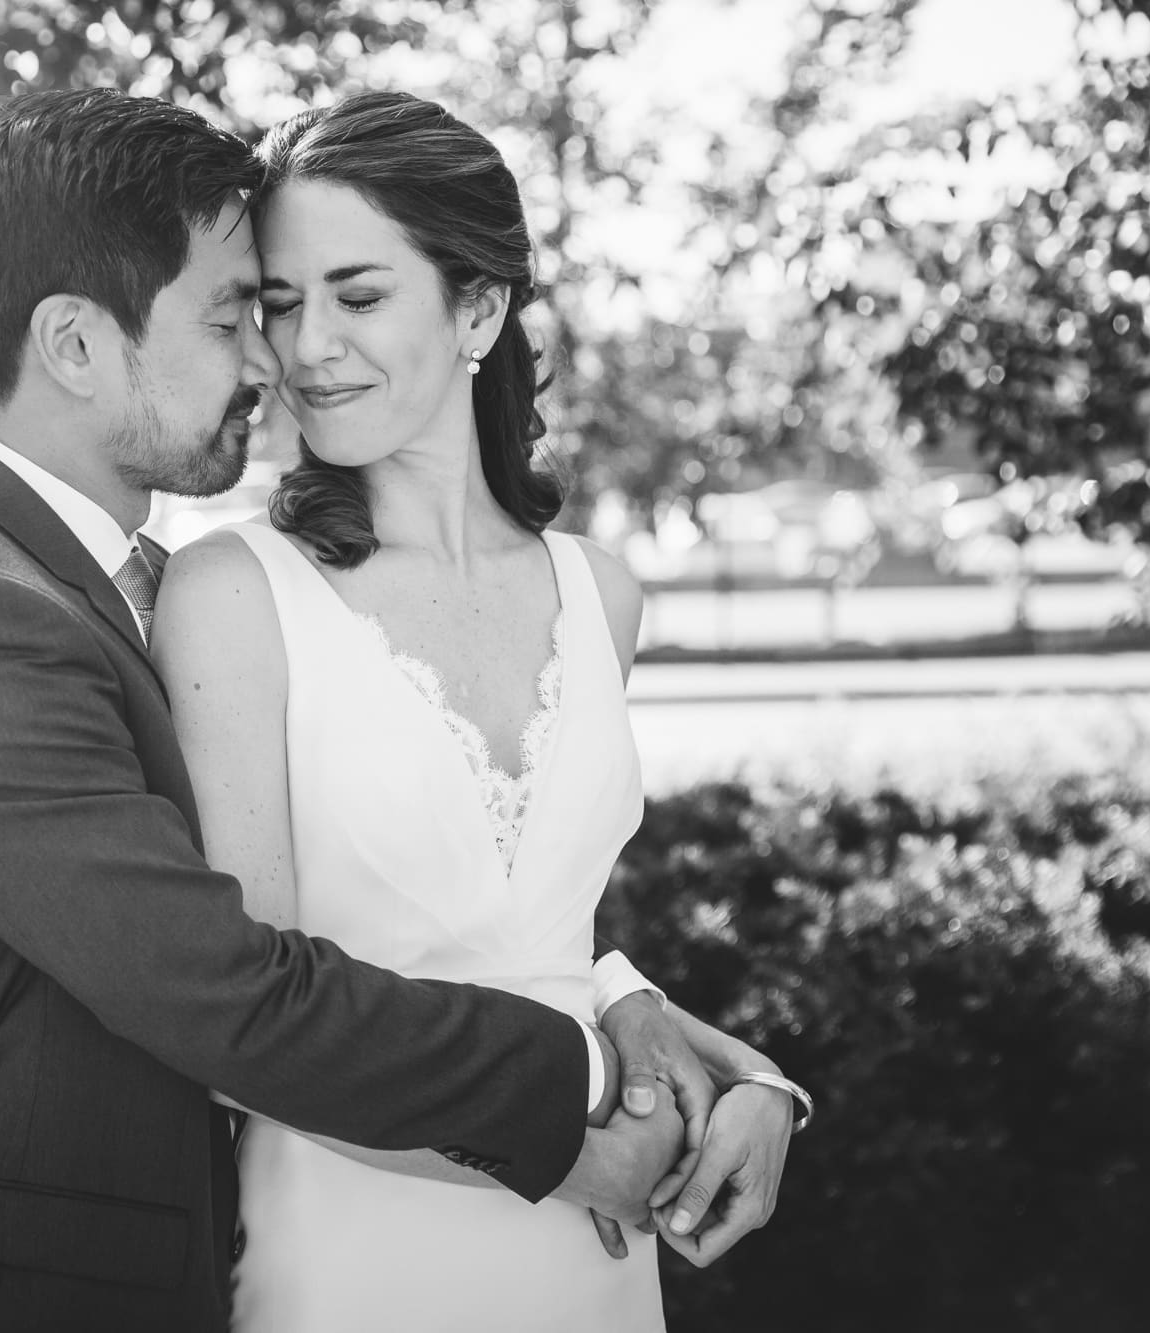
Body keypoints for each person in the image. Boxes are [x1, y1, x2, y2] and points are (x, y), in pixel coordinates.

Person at [0, 87, 729, 1333]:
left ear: (479, 309)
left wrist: (663, 1029)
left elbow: (501, 898)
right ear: (78, 345)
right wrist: (582, 1095)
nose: (278, 358)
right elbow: (231, 992)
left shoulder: (73, 577)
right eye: (239, 312)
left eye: (338, 298)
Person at [151, 92, 808, 1331]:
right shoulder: (233, 595)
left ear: (478, 308)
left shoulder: (601, 595)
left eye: (356, 295)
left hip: (597, 1265)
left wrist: (754, 1085)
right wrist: (561, 1153)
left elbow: (539, 941)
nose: (304, 349)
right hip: (349, 1248)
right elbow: (254, 1017)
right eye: (279, 303)